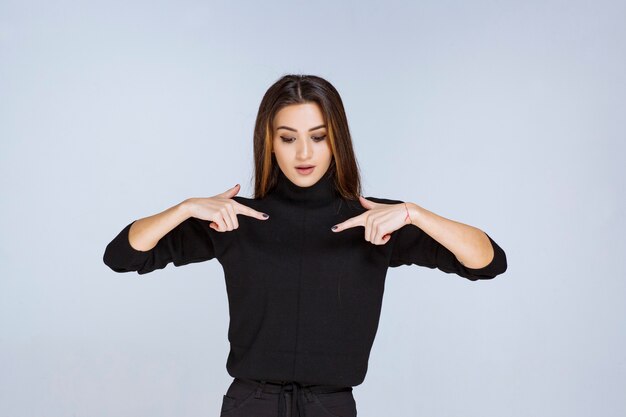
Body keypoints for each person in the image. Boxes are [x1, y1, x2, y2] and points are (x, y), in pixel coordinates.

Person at [103, 74, 508, 417]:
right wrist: (186, 208)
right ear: (270, 142)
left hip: (331, 406)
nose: (303, 153)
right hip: (249, 404)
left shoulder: (375, 221)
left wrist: (414, 213)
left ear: (337, 141)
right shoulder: (234, 219)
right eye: (288, 137)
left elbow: (487, 260)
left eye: (318, 137)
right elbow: (121, 255)